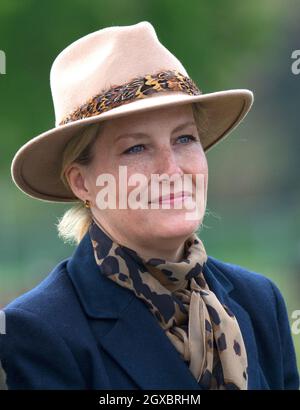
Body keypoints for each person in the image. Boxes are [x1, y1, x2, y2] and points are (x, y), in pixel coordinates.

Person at [0, 21, 298, 390]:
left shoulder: (258, 300)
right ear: (82, 182)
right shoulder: (37, 331)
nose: (171, 169)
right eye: (136, 148)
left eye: (184, 138)